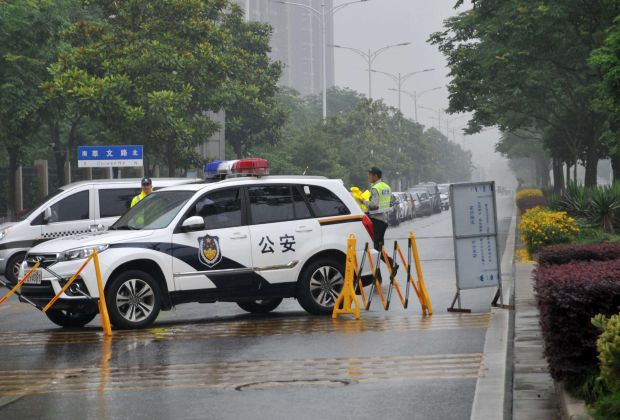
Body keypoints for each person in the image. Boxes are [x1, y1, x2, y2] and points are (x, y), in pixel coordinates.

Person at [362, 167, 397, 278]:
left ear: (375, 176)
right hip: (384, 220)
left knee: (376, 248)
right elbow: (391, 201)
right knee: (378, 247)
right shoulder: (386, 187)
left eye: (370, 175)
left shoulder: (375, 188)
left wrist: (363, 201)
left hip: (377, 220)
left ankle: (391, 265)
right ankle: (378, 274)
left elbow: (374, 205)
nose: (368, 177)